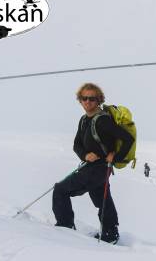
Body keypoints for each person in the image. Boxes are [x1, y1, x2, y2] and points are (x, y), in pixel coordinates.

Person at [52, 83, 134, 244]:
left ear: (99, 100)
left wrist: (115, 156)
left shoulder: (103, 120)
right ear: (80, 100)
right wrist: (85, 155)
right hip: (94, 168)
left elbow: (128, 139)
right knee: (102, 200)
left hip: (98, 169)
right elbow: (77, 145)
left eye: (92, 99)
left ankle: (65, 227)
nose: (88, 102)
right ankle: (110, 234)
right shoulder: (84, 120)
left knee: (60, 190)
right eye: (84, 98)